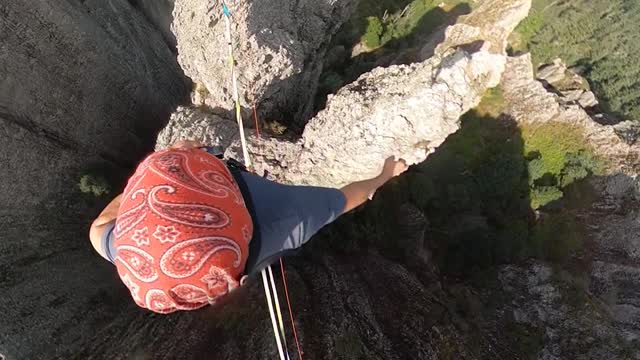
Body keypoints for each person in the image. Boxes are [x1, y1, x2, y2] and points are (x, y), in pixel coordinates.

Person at [89, 140, 408, 313]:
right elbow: (351, 196)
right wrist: (386, 172)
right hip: (252, 224)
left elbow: (98, 229)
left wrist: (139, 199)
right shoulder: (285, 217)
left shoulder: (132, 252)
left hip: (237, 253)